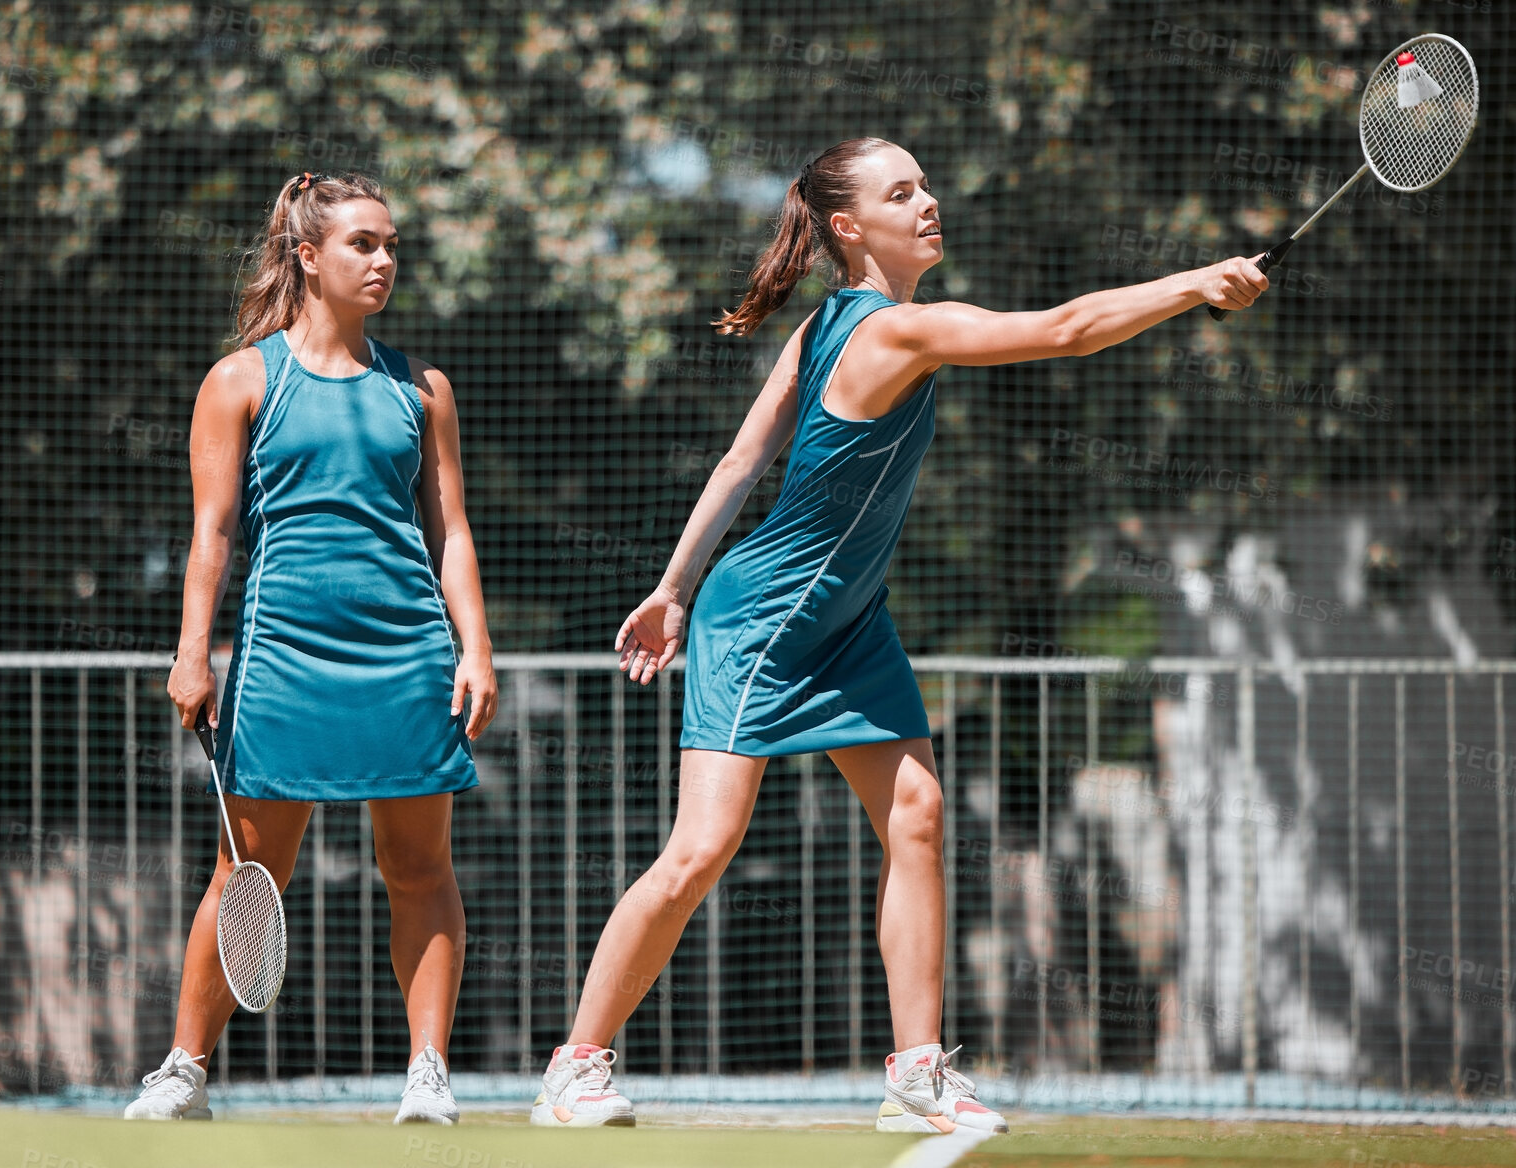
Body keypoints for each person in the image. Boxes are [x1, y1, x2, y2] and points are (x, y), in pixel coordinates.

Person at [530, 138, 1267, 1133]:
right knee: (701, 848)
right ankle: (575, 1065)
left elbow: (744, 459)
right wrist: (1195, 283)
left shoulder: (827, 323)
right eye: (901, 191)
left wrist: (668, 585)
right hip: (765, 619)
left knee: (915, 813)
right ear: (848, 227)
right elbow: (1063, 328)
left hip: (849, 621)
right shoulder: (886, 331)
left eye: (926, 182)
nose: (929, 201)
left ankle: (916, 1072)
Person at [125, 172, 499, 1124]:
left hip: (407, 655)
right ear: (307, 256)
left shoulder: (422, 388)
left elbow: (452, 531)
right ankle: (184, 1071)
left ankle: (426, 1074)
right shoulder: (242, 379)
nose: (383, 262)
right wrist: (191, 651)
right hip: (281, 658)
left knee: (420, 870)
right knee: (242, 871)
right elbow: (210, 534)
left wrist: (477, 648)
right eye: (362, 244)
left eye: (391, 246)